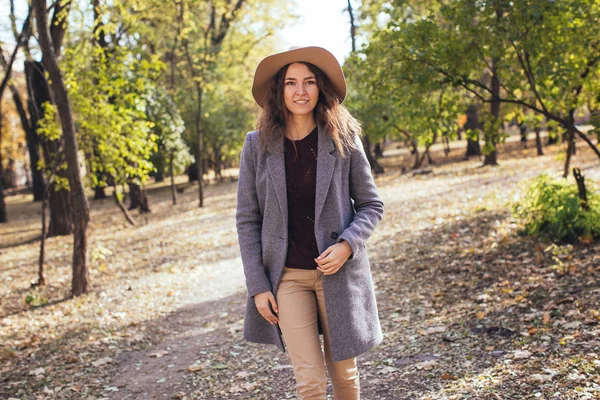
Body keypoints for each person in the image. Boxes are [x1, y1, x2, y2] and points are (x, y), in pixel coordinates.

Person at [236, 46, 384, 400]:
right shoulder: (257, 146)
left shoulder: (343, 139)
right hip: (287, 278)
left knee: (344, 376)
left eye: (309, 82)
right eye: (291, 83)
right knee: (310, 382)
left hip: (339, 275)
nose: (300, 91)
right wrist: (258, 285)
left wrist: (348, 244)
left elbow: (371, 204)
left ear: (320, 89)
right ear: (279, 91)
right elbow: (247, 219)